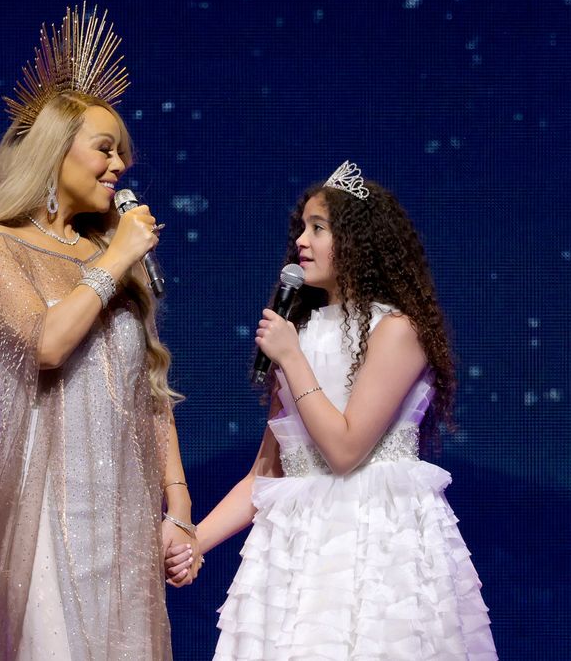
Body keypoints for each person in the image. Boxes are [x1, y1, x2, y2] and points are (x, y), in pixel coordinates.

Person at [0, 5, 200, 660]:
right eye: (106, 146)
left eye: (122, 151)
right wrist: (118, 256)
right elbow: (47, 344)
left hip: (120, 510)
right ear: (55, 150)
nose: (120, 163)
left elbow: (151, 395)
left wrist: (176, 511)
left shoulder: (112, 260)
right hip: (37, 506)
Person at [166, 161, 497, 659]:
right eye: (302, 227)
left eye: (318, 229)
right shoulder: (296, 337)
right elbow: (268, 471)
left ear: (358, 242)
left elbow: (345, 450)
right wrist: (195, 541)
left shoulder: (398, 331)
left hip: (375, 545)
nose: (302, 240)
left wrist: (292, 359)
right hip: (296, 549)